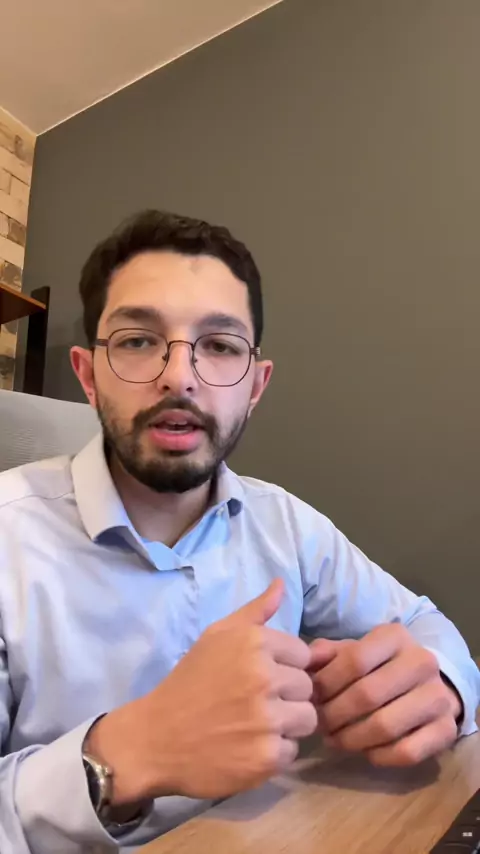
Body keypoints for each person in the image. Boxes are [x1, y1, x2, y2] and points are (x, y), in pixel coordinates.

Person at [0, 210, 478, 854]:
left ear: (255, 385)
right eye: (137, 340)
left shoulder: (287, 525)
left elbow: (422, 622)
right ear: (88, 375)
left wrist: (442, 684)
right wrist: (124, 754)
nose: (179, 376)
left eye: (220, 346)